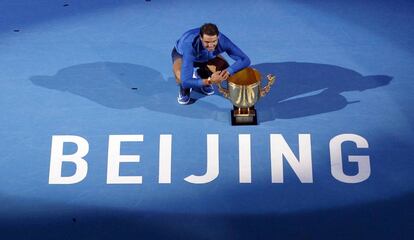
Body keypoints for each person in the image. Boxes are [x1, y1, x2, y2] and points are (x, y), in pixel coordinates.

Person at [172, 23, 251, 104]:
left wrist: (228, 71)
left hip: (207, 56)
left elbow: (245, 59)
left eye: (214, 41)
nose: (210, 45)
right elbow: (185, 81)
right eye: (207, 42)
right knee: (181, 78)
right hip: (182, 55)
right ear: (200, 38)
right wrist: (209, 81)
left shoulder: (223, 41)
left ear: (218, 37)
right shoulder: (189, 46)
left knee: (223, 67)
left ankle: (202, 74)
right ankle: (184, 90)